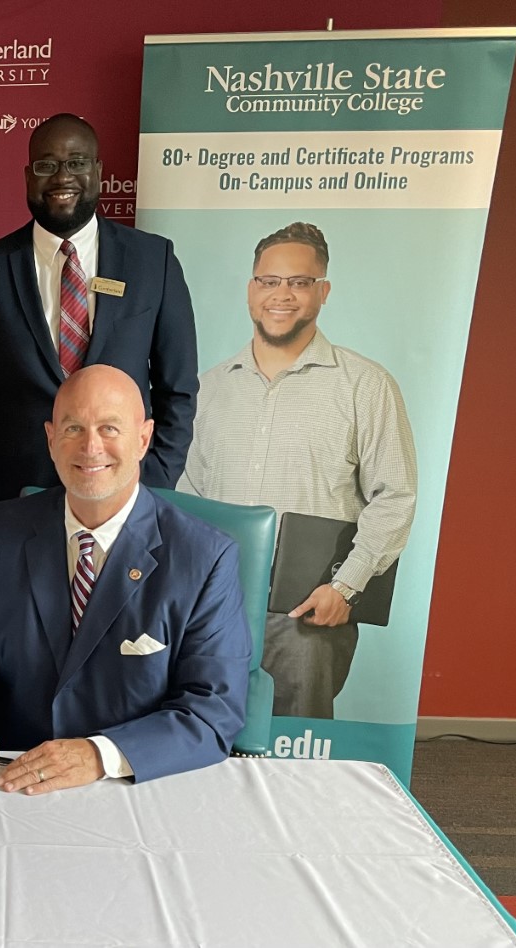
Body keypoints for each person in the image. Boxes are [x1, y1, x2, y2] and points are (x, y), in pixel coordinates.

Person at [0, 365, 249, 790]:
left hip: (139, 785)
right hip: (9, 779)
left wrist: (100, 754)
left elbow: (212, 712)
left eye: (109, 428)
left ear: (144, 438)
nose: (90, 446)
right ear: (50, 439)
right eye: (74, 427)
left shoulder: (205, 557)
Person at [178, 223, 417, 719]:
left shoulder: (365, 386)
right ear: (251, 289)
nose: (281, 294)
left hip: (309, 615)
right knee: (197, 748)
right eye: (269, 281)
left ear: (323, 292)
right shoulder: (211, 389)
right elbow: (190, 496)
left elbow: (395, 495)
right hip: (210, 611)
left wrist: (346, 586)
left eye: (299, 282)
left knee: (296, 761)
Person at [0, 113, 198, 552]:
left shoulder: (153, 262)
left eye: (77, 162)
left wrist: (150, 485)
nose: (63, 177)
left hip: (125, 499)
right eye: (46, 165)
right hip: (14, 505)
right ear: (27, 176)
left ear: (98, 172)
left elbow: (178, 391)